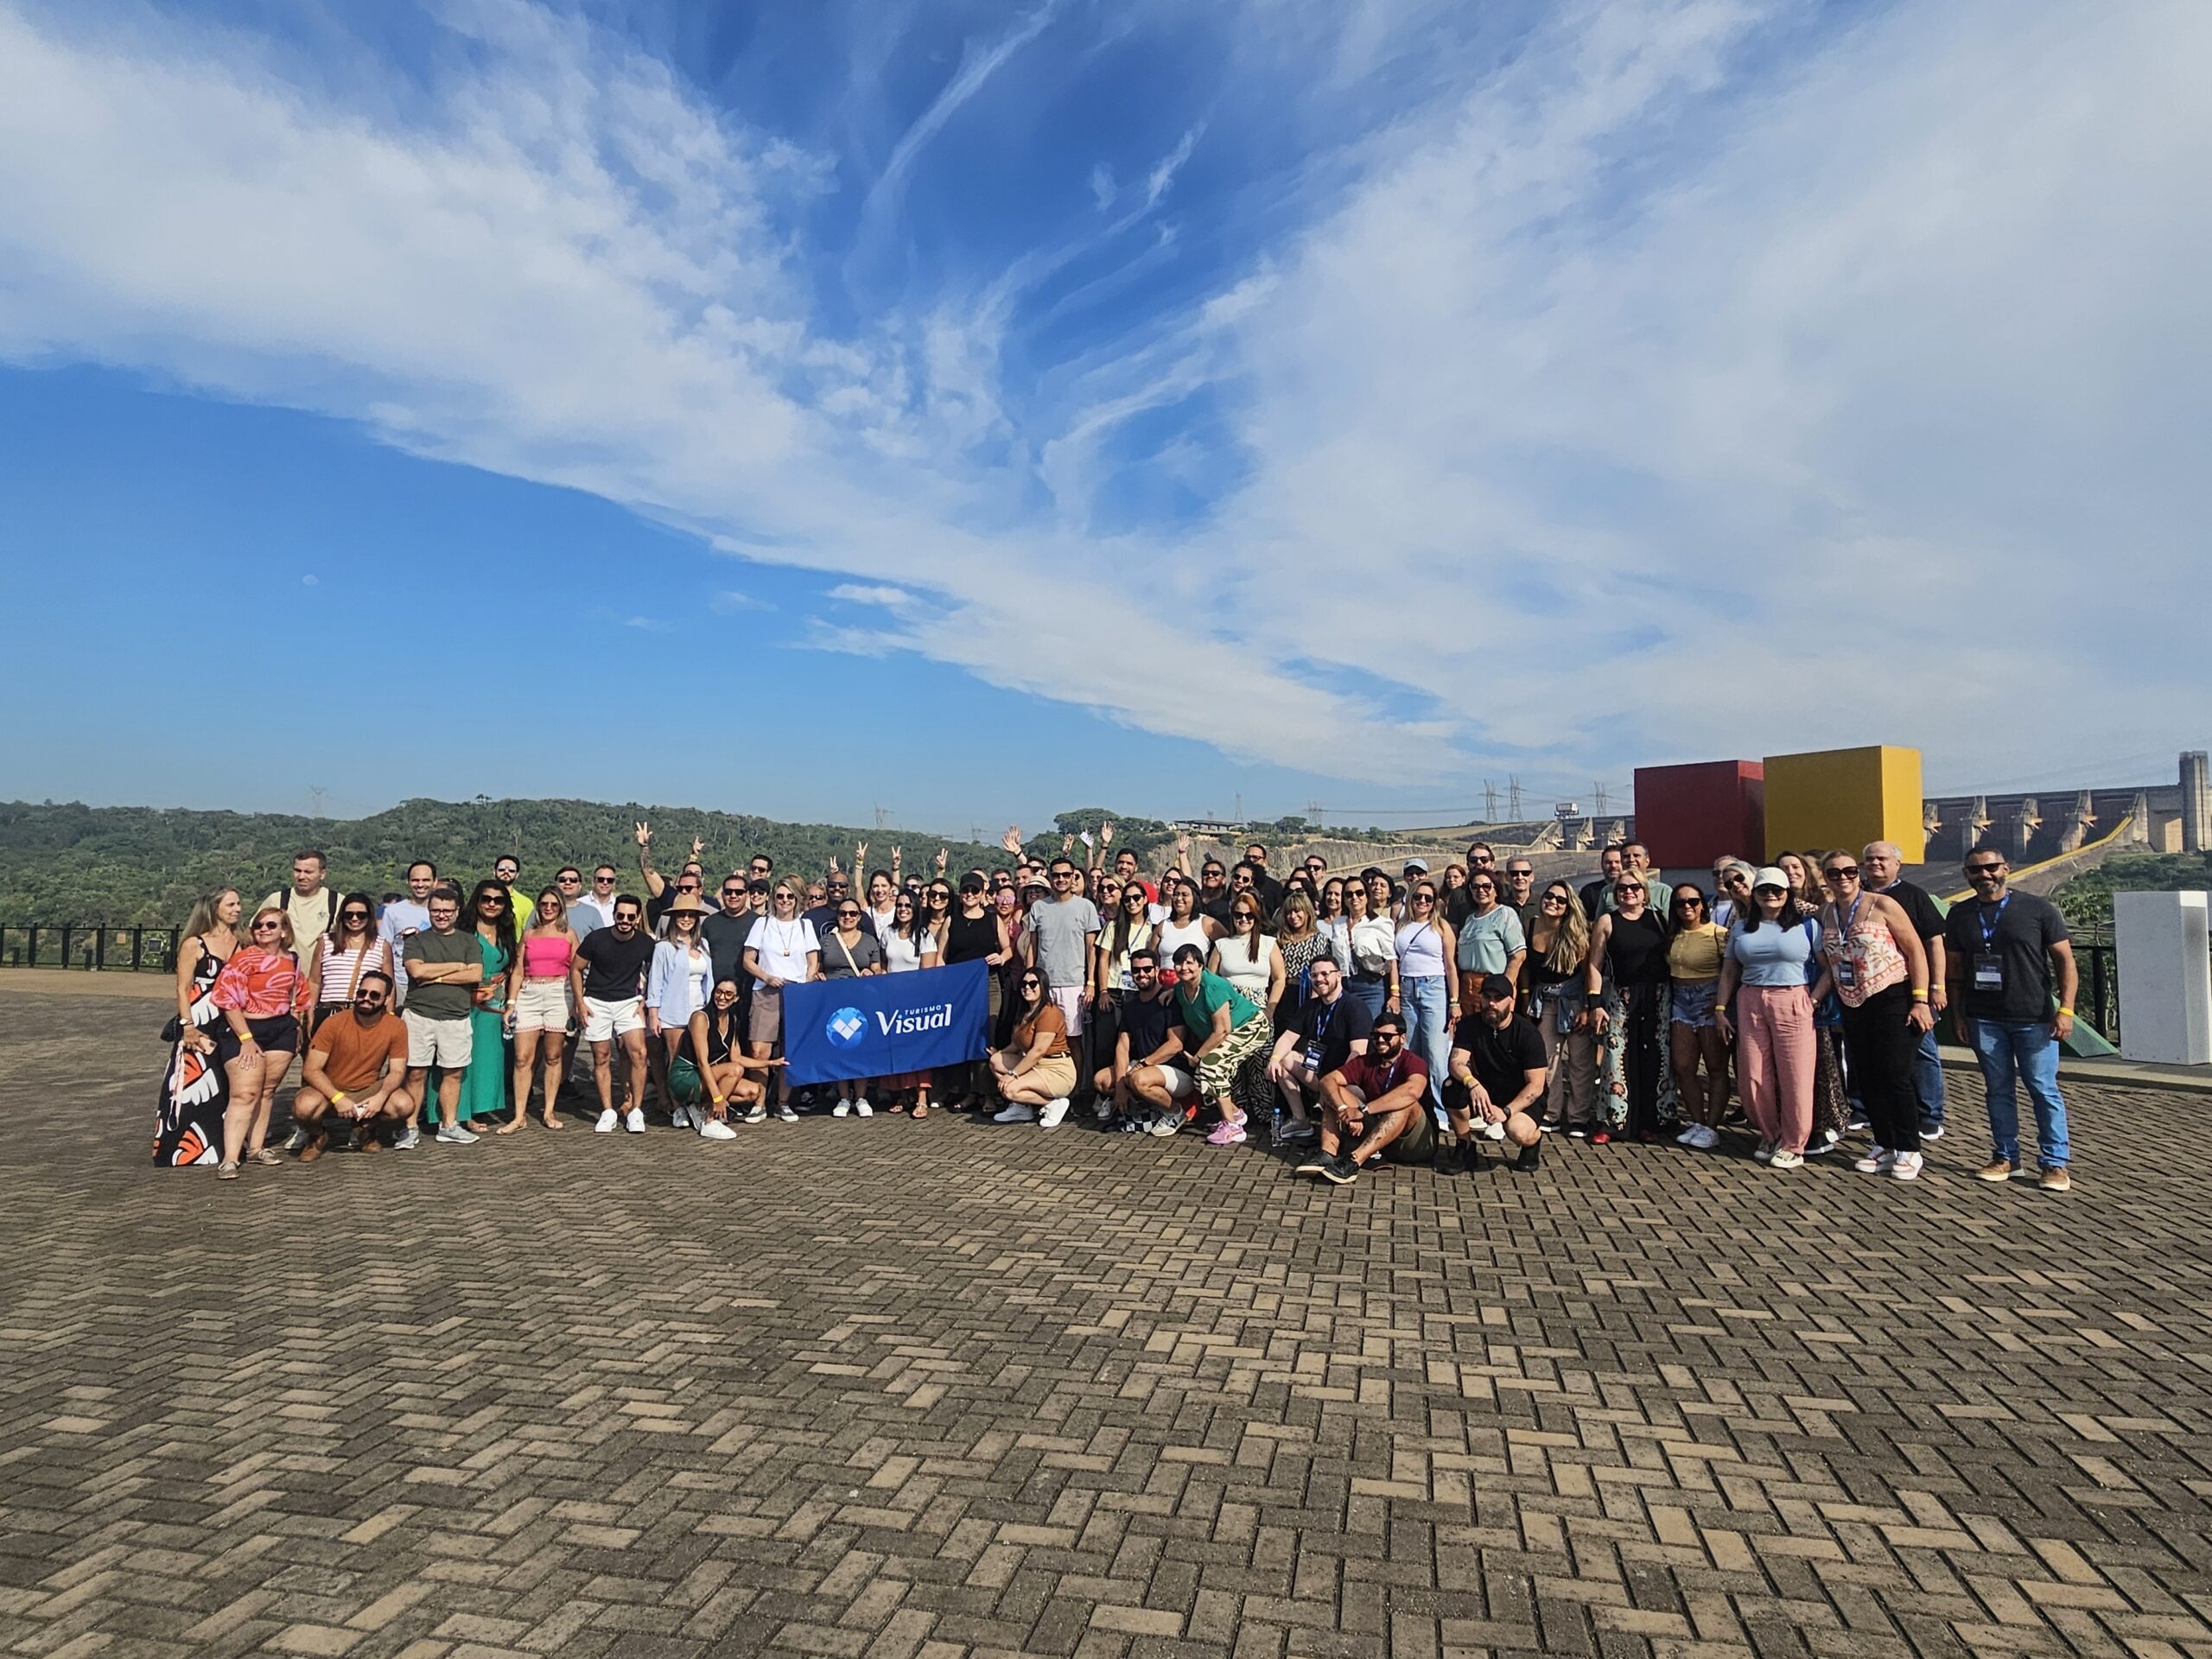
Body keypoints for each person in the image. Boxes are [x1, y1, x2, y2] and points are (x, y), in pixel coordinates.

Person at [1946, 849, 2078, 1192]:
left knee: (2042, 1089)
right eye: (1976, 870)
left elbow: (2065, 962)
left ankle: (2055, 1163)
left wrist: (2066, 1009)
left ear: (2006, 869)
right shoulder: (1960, 914)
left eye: (1991, 867)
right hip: (1984, 1018)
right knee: (1998, 1090)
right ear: (1967, 874)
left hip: (2034, 1017)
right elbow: (1956, 970)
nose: (1985, 874)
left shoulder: (2038, 909)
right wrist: (1959, 1014)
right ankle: (2006, 1156)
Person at [1816, 852, 1936, 1179]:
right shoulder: (1826, 913)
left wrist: (1921, 1000)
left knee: (1896, 1074)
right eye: (1834, 872)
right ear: (1825, 877)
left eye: (1849, 871)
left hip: (1892, 997)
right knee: (1866, 1075)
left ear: (1858, 874)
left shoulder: (1882, 905)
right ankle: (1884, 1142)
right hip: (1854, 1003)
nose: (1843, 877)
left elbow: (1915, 950)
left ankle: (1909, 1148)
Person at [1714, 868, 1821, 1168]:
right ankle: (1770, 1133)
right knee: (1752, 1074)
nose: (1771, 895)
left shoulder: (1807, 925)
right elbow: (1730, 971)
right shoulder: (1742, 928)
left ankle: (1794, 1143)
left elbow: (1828, 967)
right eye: (1764, 890)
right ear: (1755, 893)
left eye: (1778, 890)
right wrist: (1721, 1008)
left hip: (1793, 998)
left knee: (1796, 1075)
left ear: (1788, 894)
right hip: (1751, 999)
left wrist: (1813, 1000)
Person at [210, 906, 315, 1178]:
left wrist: (298, 1026)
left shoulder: (292, 960)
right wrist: (245, 1037)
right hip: (246, 1026)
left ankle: (256, 1148)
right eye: (258, 925)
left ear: (283, 931)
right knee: (244, 1093)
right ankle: (231, 1157)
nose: (263, 930)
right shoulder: (244, 959)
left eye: (270, 925)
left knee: (267, 1091)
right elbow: (226, 999)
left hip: (280, 1029)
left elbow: (300, 995)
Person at [1862, 840, 1950, 1141]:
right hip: (1871, 994)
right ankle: (1874, 1113)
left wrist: (1936, 987)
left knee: (1923, 1051)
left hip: (1914, 991)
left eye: (1882, 859)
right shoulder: (1858, 897)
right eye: (1870, 860)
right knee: (1877, 1056)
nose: (1875, 864)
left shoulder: (1913, 896)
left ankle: (1930, 1116)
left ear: (1897, 864)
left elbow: (1934, 943)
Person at [1585, 874, 1675, 1142]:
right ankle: (1614, 1121)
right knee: (1616, 1059)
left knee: (1657, 1059)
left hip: (1657, 996)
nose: (1628, 892)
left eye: (1635, 887)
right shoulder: (1607, 921)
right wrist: (1594, 1003)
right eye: (1622, 888)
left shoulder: (1659, 918)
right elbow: (1594, 964)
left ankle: (1653, 1121)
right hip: (1621, 997)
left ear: (1644, 891)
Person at [155, 887, 240, 1166]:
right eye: (231, 904)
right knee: (193, 1079)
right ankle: (182, 1148)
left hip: (232, 1017)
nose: (237, 909)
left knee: (226, 1081)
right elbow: (182, 987)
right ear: (214, 907)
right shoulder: (195, 943)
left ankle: (225, 1144)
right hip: (201, 1016)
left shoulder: (242, 942)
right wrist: (187, 1025)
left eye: (238, 904)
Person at [289, 970, 413, 1157]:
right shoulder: (334, 1023)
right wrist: (337, 1098)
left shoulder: (396, 1026)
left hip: (367, 1088)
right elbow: (311, 1070)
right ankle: (317, 1135)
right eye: (362, 993)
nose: (366, 998)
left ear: (387, 999)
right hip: (328, 1089)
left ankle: (365, 1129)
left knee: (403, 1105)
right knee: (304, 1107)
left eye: (374, 995)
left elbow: (397, 1071)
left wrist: (380, 1098)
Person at [1301, 1013, 1433, 1184]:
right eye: (1375, 1035)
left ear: (1402, 1038)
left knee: (1406, 1104)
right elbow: (1327, 1080)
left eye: (1387, 1036)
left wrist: (1362, 1111)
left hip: (1413, 1142)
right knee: (1334, 1091)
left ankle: (1354, 1161)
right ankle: (1327, 1153)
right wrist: (1344, 1109)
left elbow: (1412, 1091)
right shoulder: (1366, 1061)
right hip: (1379, 1133)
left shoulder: (1414, 1062)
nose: (1380, 1040)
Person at [1169, 943, 1272, 1147]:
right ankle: (1235, 1114)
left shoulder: (1213, 986)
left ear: (1201, 965)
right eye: (1179, 963)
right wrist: (1169, 993)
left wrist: (1198, 1057)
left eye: (1189, 963)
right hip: (1227, 1032)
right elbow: (1179, 989)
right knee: (1201, 1078)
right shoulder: (1181, 988)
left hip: (1249, 1027)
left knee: (1210, 1066)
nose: (1184, 967)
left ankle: (1234, 1128)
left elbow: (1222, 1030)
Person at [1022, 859, 1101, 1125]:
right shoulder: (1039, 907)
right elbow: (1033, 946)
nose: (1061, 879)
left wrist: (1091, 982)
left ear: (1073, 877)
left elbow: (1092, 948)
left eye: (1066, 875)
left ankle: (1076, 1090)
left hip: (1073, 984)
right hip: (1044, 984)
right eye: (1056, 875)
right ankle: (1043, 1092)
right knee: (1040, 1041)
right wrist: (1030, 978)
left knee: (1074, 1040)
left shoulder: (1086, 906)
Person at [1445, 975, 1548, 1172]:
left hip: (1520, 1095)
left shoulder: (1528, 1033)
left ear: (1511, 1000)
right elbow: (1456, 1062)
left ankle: (1533, 1143)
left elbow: (1536, 1085)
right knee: (1451, 1087)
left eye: (1498, 999)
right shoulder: (1469, 1025)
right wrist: (1472, 1084)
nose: (1491, 1003)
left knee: (1518, 1132)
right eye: (1487, 997)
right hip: (1485, 1089)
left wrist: (1506, 1111)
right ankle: (1464, 1146)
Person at [571, 893, 654, 1133]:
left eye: (630, 916)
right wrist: (580, 1002)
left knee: (639, 1053)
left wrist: (646, 999)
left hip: (629, 1001)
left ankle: (636, 1111)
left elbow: (657, 972)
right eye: (620, 915)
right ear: (614, 914)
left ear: (638, 918)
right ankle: (607, 1111)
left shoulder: (646, 943)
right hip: (596, 1001)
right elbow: (576, 969)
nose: (625, 920)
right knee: (601, 1056)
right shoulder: (597, 939)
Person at [1264, 955, 1371, 1141]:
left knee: (1346, 1088)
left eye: (1325, 974)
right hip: (1319, 1074)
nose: (1319, 979)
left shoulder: (1355, 1007)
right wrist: (1273, 1059)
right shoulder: (1310, 1006)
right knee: (1282, 1060)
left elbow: (1358, 1054)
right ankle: (1300, 1120)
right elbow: (1288, 1037)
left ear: (1338, 976)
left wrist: (1333, 1084)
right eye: (1314, 975)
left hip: (1349, 1082)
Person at [1522, 880, 1595, 1135]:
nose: (1553, 902)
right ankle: (1551, 1114)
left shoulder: (1577, 933)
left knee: (1580, 1062)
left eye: (1560, 900)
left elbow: (1589, 972)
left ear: (1568, 907)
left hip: (1574, 1000)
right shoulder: (1531, 924)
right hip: (1545, 1002)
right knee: (1549, 1061)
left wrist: (1588, 1006)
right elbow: (1526, 968)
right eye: (1549, 896)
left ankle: (1578, 1118)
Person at [743, 877, 819, 1121]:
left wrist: (805, 984)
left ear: (796, 899)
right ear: (773, 899)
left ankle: (783, 1101)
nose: (784, 901)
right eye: (780, 896)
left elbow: (813, 961)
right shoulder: (762, 924)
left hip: (796, 994)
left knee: (790, 1049)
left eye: (789, 897)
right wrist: (767, 976)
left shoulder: (805, 926)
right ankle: (759, 1102)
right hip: (766, 992)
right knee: (759, 1050)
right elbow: (747, 960)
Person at [504, 887, 576, 1132]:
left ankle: (548, 1111)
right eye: (544, 904)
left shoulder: (569, 935)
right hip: (529, 993)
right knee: (522, 1057)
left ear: (561, 908)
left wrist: (577, 1004)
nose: (548, 908)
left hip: (558, 993)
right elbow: (517, 970)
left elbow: (577, 973)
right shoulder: (528, 934)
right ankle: (519, 1115)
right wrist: (511, 1003)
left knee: (553, 1056)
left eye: (554, 905)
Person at [1665, 885, 1730, 1150]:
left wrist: (1720, 1002)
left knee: (1715, 1067)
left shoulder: (1718, 934)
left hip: (1709, 997)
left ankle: (1712, 1126)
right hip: (1680, 999)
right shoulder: (1672, 935)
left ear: (1703, 904)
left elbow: (1731, 970)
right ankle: (1698, 1121)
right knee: (1683, 1066)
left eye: (1693, 901)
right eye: (1680, 903)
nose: (1687, 907)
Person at [448, 881, 517, 1133]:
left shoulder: (507, 932)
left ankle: (478, 1107)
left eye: (498, 900)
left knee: (487, 1057)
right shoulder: (463, 931)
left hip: (494, 1004)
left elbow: (512, 969)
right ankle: (459, 1112)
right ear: (476, 901)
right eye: (486, 898)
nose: (491, 904)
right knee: (461, 1057)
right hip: (464, 1000)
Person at [1096, 949, 1192, 1128]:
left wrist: (1143, 1064)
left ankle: (1175, 1112)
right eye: (1136, 970)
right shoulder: (1131, 1005)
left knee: (1138, 1080)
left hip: (1176, 1069)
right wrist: (1119, 1086)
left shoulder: (1169, 1000)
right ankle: (1147, 1107)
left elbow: (1175, 1044)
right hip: (1144, 1067)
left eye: (1147, 969)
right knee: (1101, 1079)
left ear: (1157, 970)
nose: (1142, 974)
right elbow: (1122, 1046)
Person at [940, 874, 1013, 1110]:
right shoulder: (952, 921)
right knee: (964, 1037)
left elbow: (1009, 949)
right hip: (959, 989)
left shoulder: (993, 920)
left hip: (988, 984)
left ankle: (988, 1093)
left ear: (983, 893)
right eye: (965, 890)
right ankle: (969, 1091)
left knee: (986, 1037)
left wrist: (1001, 957)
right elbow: (941, 956)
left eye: (974, 890)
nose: (969, 895)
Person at [1390, 879, 1459, 1122]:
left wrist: (1455, 1001)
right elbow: (1394, 962)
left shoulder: (1440, 927)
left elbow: (1451, 967)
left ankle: (1442, 1113)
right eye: (1418, 897)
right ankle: (1415, 1108)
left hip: (1434, 987)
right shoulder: (1400, 925)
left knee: (1435, 1053)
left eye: (1428, 898)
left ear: (1434, 902)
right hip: (1407, 988)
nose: (1422, 902)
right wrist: (1395, 992)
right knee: (1410, 1052)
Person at [647, 893, 717, 1126]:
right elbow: (655, 982)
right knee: (676, 1059)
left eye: (691, 915)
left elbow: (710, 981)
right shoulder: (664, 948)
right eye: (681, 915)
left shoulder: (704, 945)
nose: (686, 919)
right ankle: (678, 1108)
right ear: (674, 918)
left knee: (700, 1058)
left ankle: (696, 1103)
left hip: (700, 1011)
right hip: (673, 1010)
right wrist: (654, 1014)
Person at [877, 889, 942, 1116]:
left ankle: (921, 1098)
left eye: (908, 905)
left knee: (918, 1050)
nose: (904, 909)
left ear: (915, 908)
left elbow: (928, 973)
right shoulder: (888, 933)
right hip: (891, 1000)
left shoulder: (925, 936)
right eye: (901, 905)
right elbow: (884, 964)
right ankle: (901, 1096)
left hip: (916, 1001)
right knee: (896, 1050)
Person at [989, 969, 1079, 1124]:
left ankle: (1053, 1104)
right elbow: (1016, 1044)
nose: (1027, 988)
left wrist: (1013, 1074)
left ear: (1043, 986)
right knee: (996, 1061)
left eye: (1033, 984)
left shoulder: (1049, 1012)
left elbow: (1038, 1051)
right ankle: (1022, 1107)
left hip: (1056, 1068)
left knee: (1009, 1089)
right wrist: (999, 1053)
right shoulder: (1023, 1011)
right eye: (1024, 984)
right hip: (1036, 1066)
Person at [690, 978, 772, 1134]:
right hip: (688, 1076)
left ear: (736, 998)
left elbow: (737, 1057)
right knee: (735, 1070)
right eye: (719, 992)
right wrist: (718, 1099)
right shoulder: (700, 1017)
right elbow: (702, 1062)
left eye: (728, 994)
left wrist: (771, 1063)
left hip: (710, 1075)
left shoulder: (732, 1020)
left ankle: (701, 1106)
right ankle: (710, 1121)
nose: (722, 997)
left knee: (753, 1092)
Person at [1452, 871, 1526, 1005]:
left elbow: (1518, 955)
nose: (1481, 890)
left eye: (1486, 886)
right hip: (1467, 986)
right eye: (1475, 887)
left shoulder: (1505, 914)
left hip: (1493, 986)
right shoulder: (1470, 919)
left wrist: (1504, 988)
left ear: (1496, 890)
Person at [262, 849, 337, 972]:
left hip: (321, 981)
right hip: (281, 976)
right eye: (297, 871)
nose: (301, 877)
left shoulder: (337, 903)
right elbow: (253, 933)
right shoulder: (277, 900)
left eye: (308, 872)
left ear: (322, 874)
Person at [377, 861, 436, 1004]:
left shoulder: (444, 912)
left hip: (435, 981)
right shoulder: (393, 912)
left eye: (426, 880)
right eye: (415, 880)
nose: (420, 885)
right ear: (408, 882)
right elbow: (383, 950)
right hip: (402, 983)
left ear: (435, 882)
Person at [1343, 880, 1395, 1021]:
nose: (1354, 897)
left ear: (1367, 896)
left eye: (1359, 893)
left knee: (1368, 1031)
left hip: (1370, 986)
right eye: (1349, 894)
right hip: (1342, 986)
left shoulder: (1381, 923)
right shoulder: (1338, 923)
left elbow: (1391, 960)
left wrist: (1395, 993)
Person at [569, 863, 620, 937]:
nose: (605, 883)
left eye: (610, 880)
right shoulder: (579, 903)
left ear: (614, 884)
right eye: (601, 879)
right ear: (593, 882)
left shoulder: (619, 906)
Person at [1580, 846, 1627, 921]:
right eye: (1608, 862)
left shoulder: (1634, 890)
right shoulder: (1589, 892)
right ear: (1602, 865)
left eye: (1617, 862)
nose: (1613, 866)